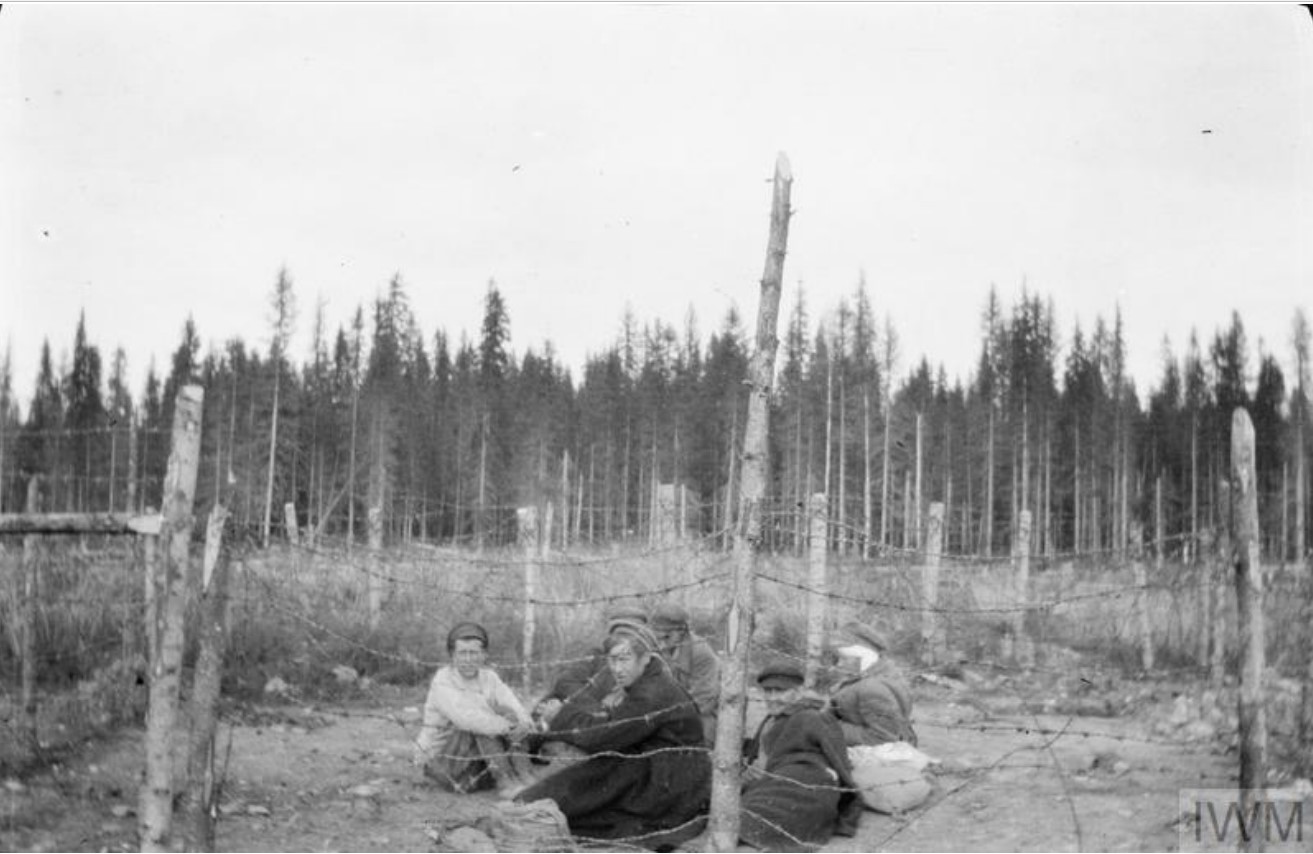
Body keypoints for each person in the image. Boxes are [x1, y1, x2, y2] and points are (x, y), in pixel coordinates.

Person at [516, 622, 712, 850]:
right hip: (659, 771)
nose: (617, 668)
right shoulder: (650, 680)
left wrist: (560, 715)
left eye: (624, 659)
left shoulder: (651, 693)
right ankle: (535, 803)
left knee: (581, 795)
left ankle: (534, 805)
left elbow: (601, 736)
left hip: (669, 785)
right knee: (584, 787)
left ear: (645, 658)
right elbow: (612, 727)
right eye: (612, 660)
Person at [739, 657, 862, 852]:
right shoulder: (773, 718)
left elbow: (839, 763)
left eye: (780, 691)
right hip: (772, 781)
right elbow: (764, 753)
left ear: (797, 692)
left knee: (763, 812)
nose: (772, 697)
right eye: (767, 691)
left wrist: (848, 800)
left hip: (804, 786)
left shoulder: (816, 717)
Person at [413, 622, 537, 797]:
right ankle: (506, 781)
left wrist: (522, 722)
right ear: (452, 656)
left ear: (484, 655)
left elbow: (513, 704)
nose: (468, 659)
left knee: (511, 716)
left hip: (477, 758)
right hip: (443, 761)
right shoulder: (443, 680)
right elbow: (466, 718)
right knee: (482, 724)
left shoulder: (490, 678)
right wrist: (507, 726)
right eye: (462, 653)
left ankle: (524, 775)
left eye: (474, 653)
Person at [534, 605, 650, 727]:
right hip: (558, 715)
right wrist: (596, 709)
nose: (625, 640)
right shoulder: (597, 655)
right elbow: (565, 682)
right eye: (620, 634)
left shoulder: (646, 665)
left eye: (631, 634)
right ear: (611, 635)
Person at [828, 621, 917, 746]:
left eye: (845, 658)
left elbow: (882, 738)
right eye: (838, 659)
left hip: (872, 759)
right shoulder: (869, 677)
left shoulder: (873, 689)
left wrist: (829, 727)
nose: (839, 664)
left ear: (864, 656)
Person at [651, 603, 721, 745]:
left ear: (682, 632)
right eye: (658, 638)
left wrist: (667, 718)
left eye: (667, 637)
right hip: (671, 710)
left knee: (700, 741)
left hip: (704, 713)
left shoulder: (700, 653)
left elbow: (704, 701)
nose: (662, 644)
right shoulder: (654, 647)